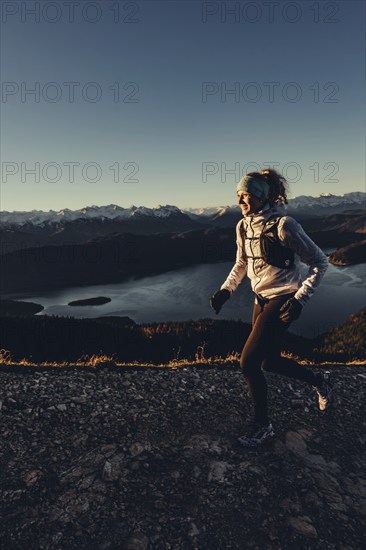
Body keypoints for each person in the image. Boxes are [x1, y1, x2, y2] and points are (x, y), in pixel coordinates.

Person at [210, 168, 332, 448]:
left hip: (283, 298)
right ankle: (319, 379)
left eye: (247, 195)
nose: (240, 200)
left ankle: (262, 425)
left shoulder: (284, 225)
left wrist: (299, 299)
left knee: (248, 362)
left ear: (262, 196)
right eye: (238, 195)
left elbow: (320, 262)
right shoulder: (243, 226)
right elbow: (242, 263)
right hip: (260, 299)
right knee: (268, 361)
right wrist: (225, 290)